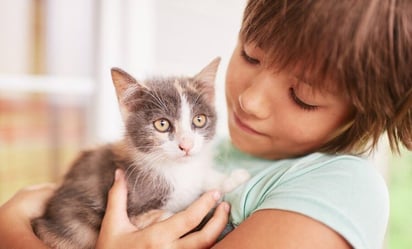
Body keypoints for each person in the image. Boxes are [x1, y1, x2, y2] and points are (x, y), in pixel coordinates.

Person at [1, 0, 411, 248]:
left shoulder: (340, 186)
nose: (249, 101)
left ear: (363, 111)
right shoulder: (213, 150)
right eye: (251, 55)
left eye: (302, 96)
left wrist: (11, 233)